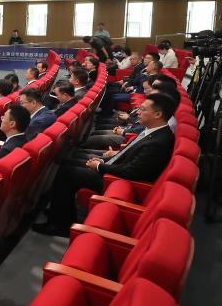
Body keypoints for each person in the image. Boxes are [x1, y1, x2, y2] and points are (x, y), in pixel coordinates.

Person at [33, 92, 177, 235]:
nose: (138, 112)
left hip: (118, 182)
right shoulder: (152, 130)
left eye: (143, 109)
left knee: (66, 173)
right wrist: (103, 160)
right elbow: (130, 155)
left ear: (158, 114)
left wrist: (99, 166)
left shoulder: (159, 142)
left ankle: (59, 225)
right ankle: (60, 210)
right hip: (115, 168)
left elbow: (131, 172)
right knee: (67, 162)